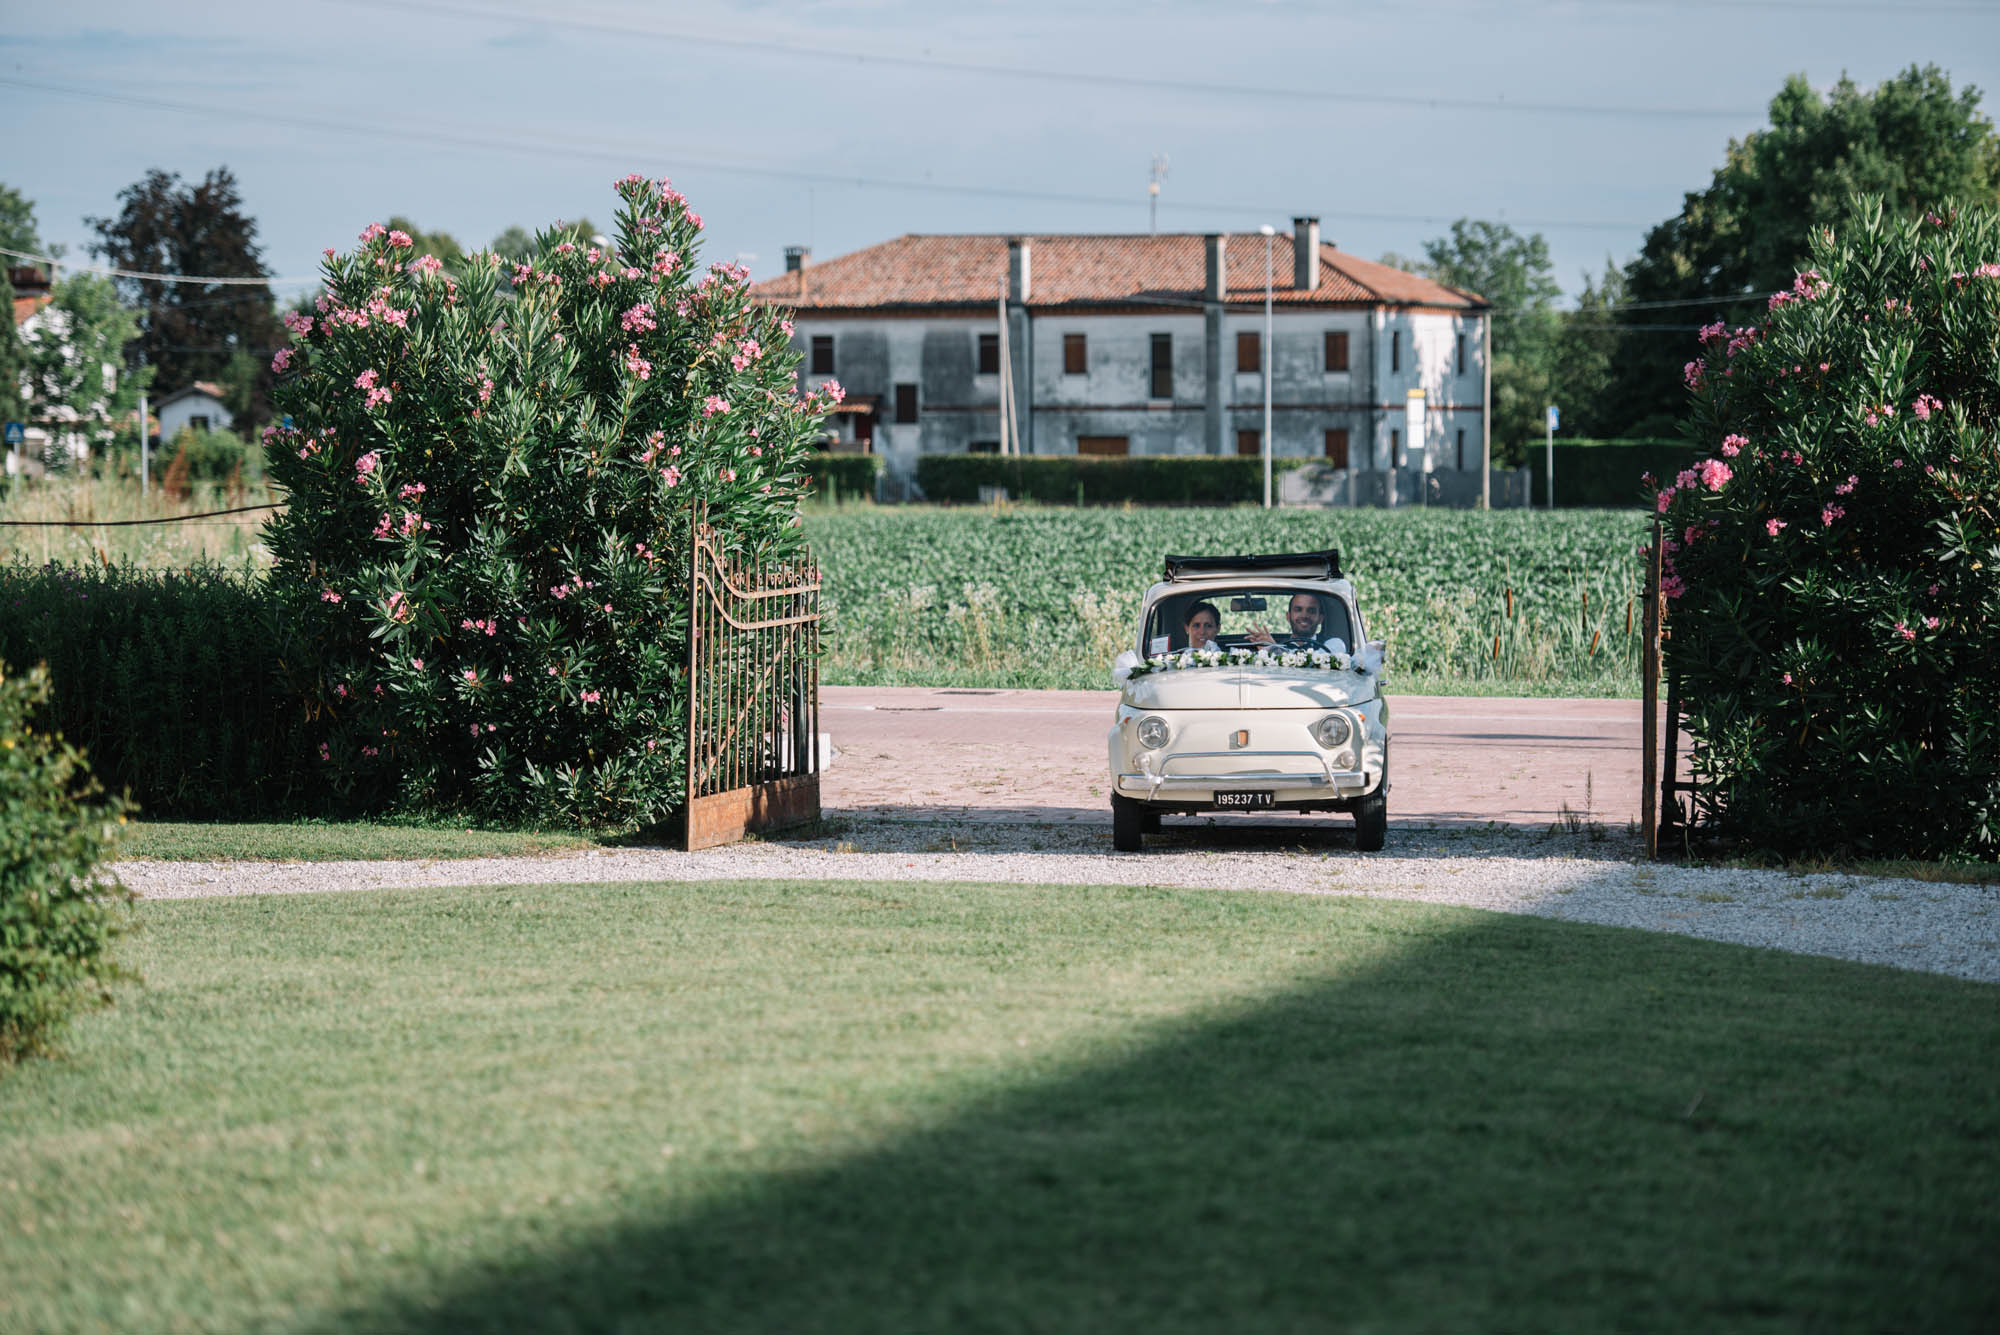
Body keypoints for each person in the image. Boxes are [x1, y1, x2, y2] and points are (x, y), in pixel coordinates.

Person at [1246, 592, 1323, 648]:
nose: (1304, 615)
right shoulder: (1279, 646)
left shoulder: (1331, 645)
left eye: (1311, 611)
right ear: (1288, 616)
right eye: (1298, 610)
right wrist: (1272, 649)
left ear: (1320, 618)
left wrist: (1276, 650)